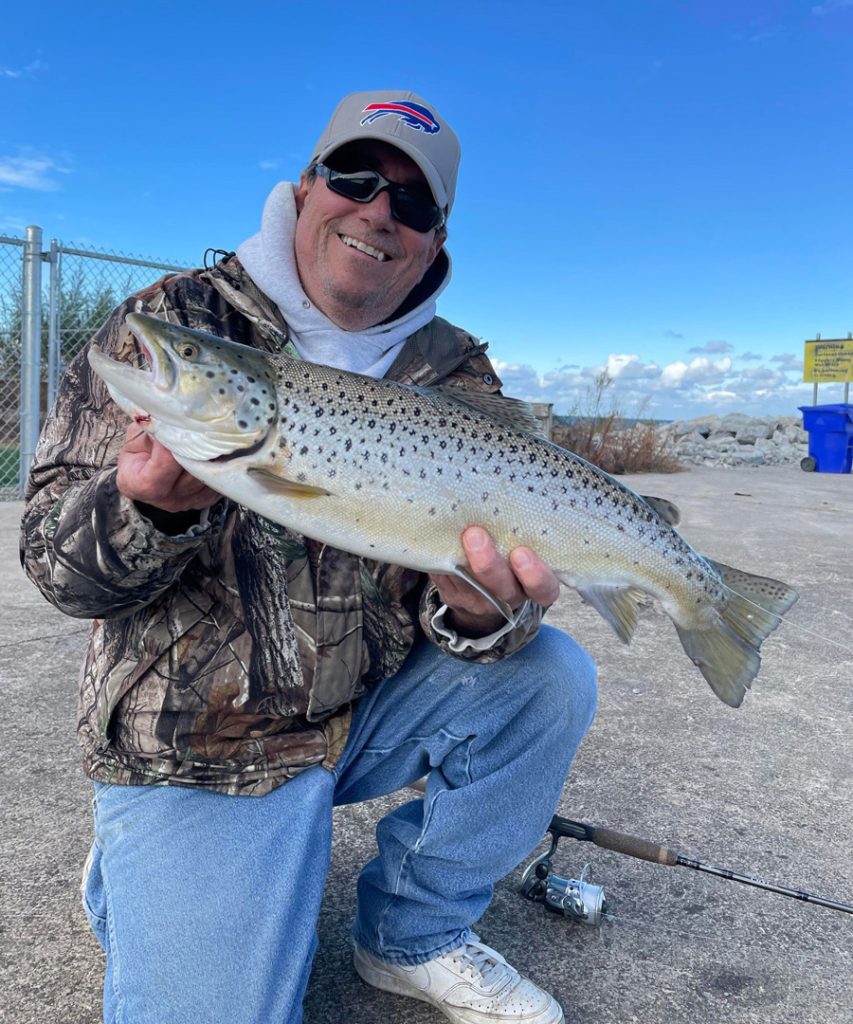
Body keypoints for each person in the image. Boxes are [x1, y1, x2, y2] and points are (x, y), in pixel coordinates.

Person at [21, 90, 597, 1024]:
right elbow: (55, 569)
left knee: (550, 678)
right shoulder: (172, 321)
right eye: (355, 177)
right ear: (305, 186)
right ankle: (146, 865)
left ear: (434, 237)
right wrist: (144, 512)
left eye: (410, 201)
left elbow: (478, 615)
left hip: (360, 712)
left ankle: (411, 933)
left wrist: (484, 614)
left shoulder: (457, 372)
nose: (377, 210)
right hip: (200, 744)